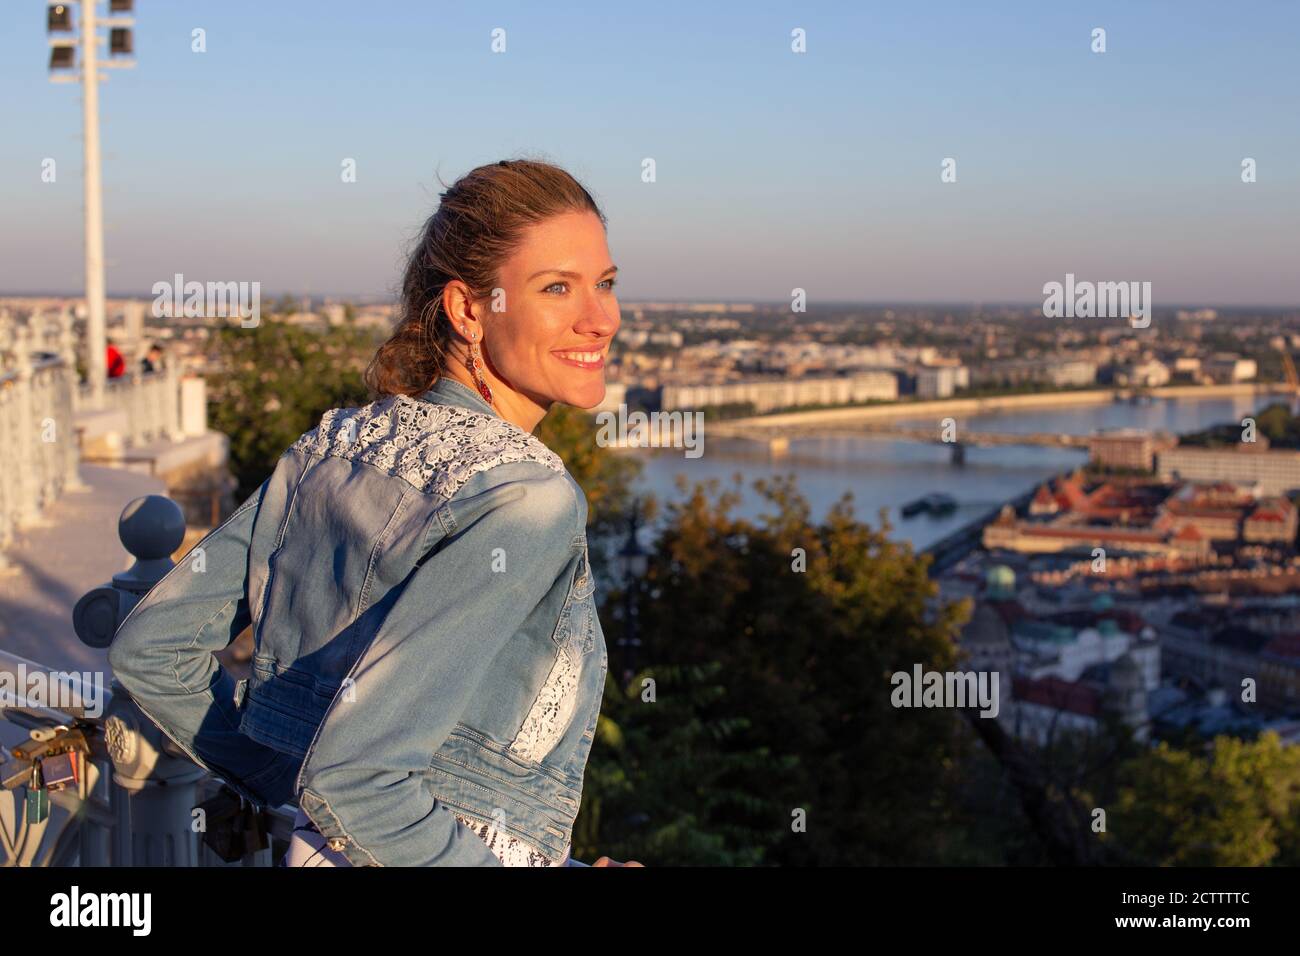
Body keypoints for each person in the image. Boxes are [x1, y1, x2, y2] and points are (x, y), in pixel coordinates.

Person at [109, 159, 642, 867]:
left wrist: (286, 785)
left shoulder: (338, 446)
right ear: (468, 310)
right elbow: (358, 782)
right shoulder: (527, 500)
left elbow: (154, 650)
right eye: (557, 288)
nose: (600, 319)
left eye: (604, 283)